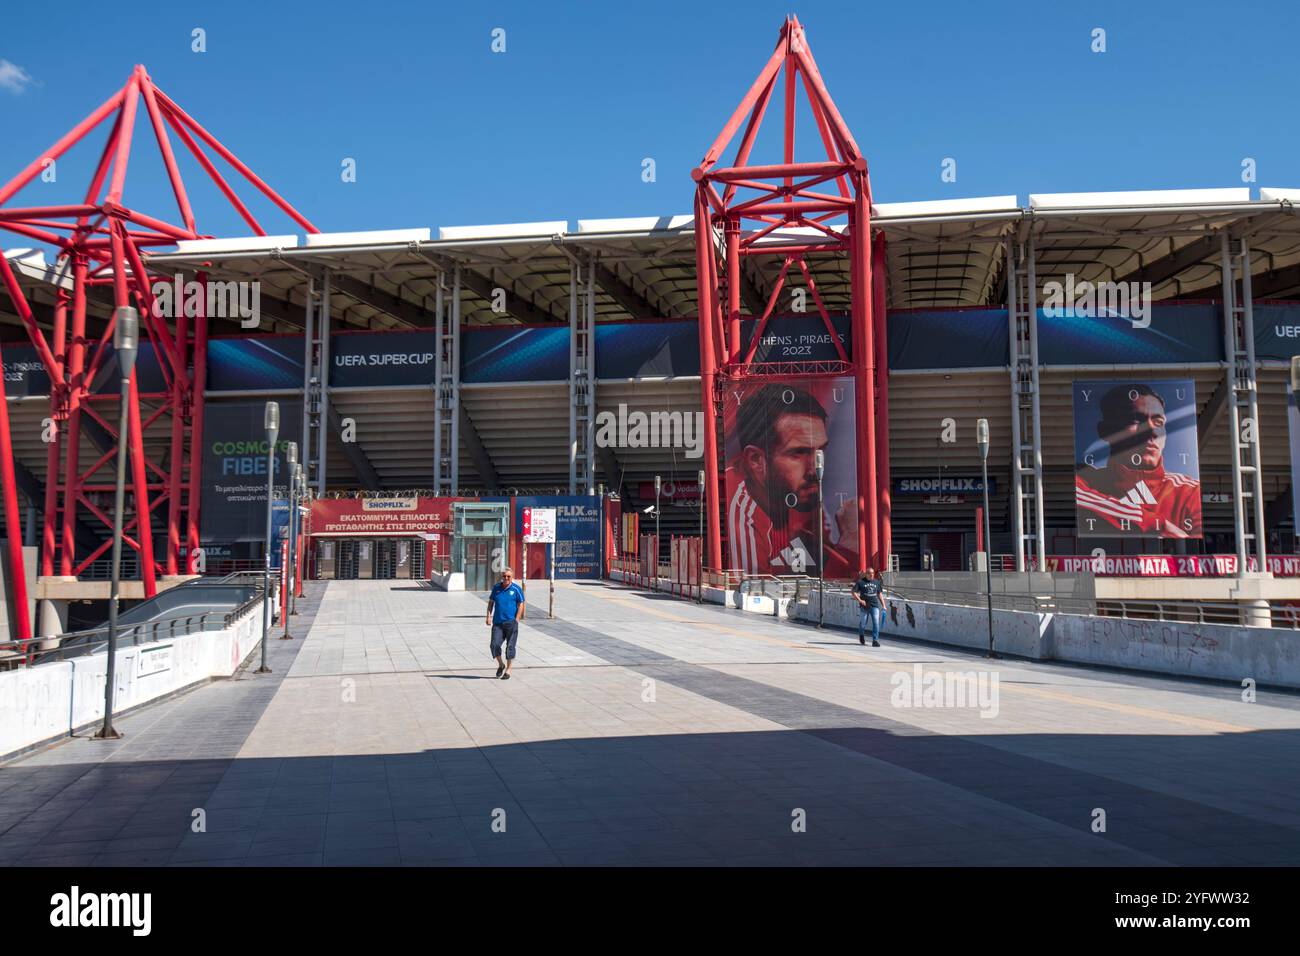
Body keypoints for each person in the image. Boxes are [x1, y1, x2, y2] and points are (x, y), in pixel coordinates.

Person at [725, 383, 858, 577]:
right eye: (799, 452)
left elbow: (827, 579)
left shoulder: (804, 493)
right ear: (756, 460)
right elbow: (749, 590)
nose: (815, 468)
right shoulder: (741, 515)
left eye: (821, 450)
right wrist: (850, 541)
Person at [1075, 383, 1201, 538]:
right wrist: (1159, 525)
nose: (1152, 431)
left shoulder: (1189, 492)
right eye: (1136, 420)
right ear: (1105, 431)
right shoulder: (1084, 479)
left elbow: (1199, 556)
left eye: (1158, 422)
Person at [486, 566, 526, 680]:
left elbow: (521, 604)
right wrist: (488, 616)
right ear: (501, 577)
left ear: (512, 577)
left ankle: (508, 670)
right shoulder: (496, 588)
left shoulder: (516, 589)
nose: (506, 578)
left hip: (511, 623)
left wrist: (517, 619)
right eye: (504, 576)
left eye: (508, 576)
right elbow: (491, 603)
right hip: (498, 623)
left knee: (510, 646)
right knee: (494, 645)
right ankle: (501, 664)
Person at [853, 567, 884, 646]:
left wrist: (883, 605)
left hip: (874, 605)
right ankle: (861, 635)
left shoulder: (877, 582)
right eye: (869, 573)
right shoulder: (861, 582)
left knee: (876, 622)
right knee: (863, 623)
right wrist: (860, 600)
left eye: (873, 573)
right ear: (866, 574)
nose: (871, 575)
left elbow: (879, 594)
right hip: (864, 606)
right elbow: (854, 592)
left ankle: (875, 640)